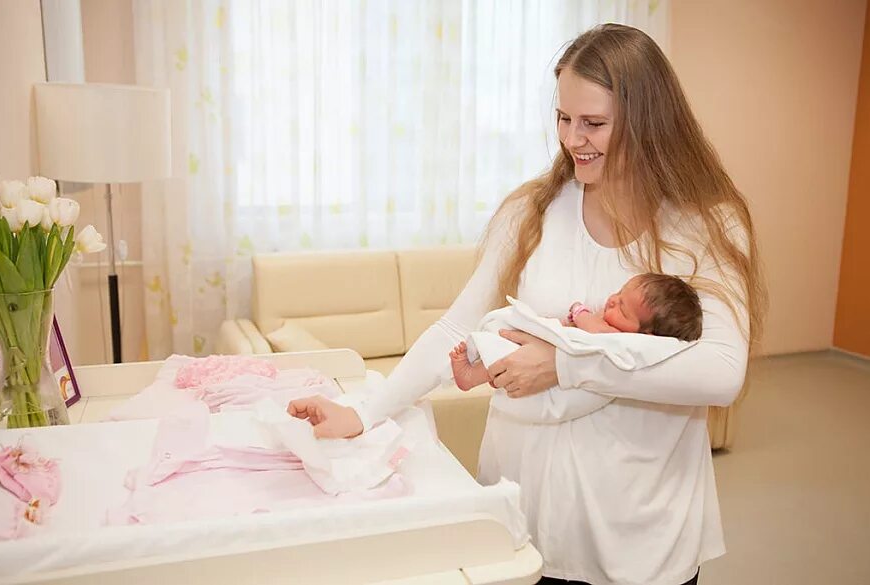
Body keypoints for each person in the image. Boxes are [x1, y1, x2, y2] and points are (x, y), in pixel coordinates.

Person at [288, 23, 766, 585]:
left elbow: (720, 373)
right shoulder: (531, 213)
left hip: (639, 531)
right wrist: (364, 412)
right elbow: (454, 330)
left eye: (594, 123)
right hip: (525, 512)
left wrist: (563, 365)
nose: (572, 138)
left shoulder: (705, 226)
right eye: (563, 118)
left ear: (648, 123)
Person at [449, 273, 704, 393]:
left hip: (555, 352)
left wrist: (579, 311)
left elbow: (595, 333)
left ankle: (472, 376)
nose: (612, 301)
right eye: (619, 293)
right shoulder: (618, 325)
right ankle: (483, 365)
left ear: (647, 335)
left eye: (623, 309)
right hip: (547, 345)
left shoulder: (621, 340)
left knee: (510, 350)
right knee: (509, 345)